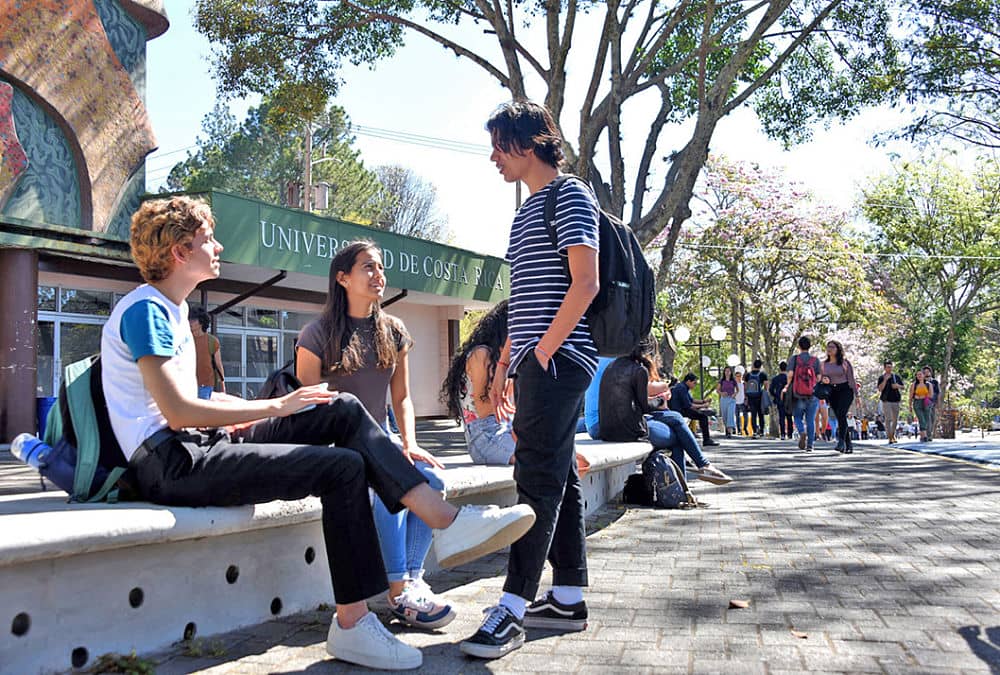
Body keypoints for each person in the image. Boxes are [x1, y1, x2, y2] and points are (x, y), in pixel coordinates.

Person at [102, 196, 536, 671]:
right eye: (209, 239)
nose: (219, 245)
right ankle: (418, 553)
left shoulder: (170, 311)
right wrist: (274, 405)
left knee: (343, 422)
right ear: (182, 252)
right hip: (172, 464)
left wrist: (245, 410)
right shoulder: (145, 310)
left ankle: (392, 582)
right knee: (340, 452)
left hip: (200, 445)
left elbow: (192, 402)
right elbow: (177, 411)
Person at [460, 101, 600, 659]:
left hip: (562, 360)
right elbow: (527, 301)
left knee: (536, 478)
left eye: (500, 145)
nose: (493, 157)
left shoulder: (570, 194)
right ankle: (567, 597)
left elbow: (583, 283)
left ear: (528, 142)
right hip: (539, 360)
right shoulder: (527, 211)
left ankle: (513, 608)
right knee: (559, 475)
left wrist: (543, 353)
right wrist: (508, 365)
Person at [296, 241, 454, 631]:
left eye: (380, 267)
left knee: (434, 480)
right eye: (368, 267)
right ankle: (397, 593)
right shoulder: (316, 334)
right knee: (390, 492)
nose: (378, 275)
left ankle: (413, 578)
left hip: (382, 438)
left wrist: (410, 443)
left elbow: (401, 398)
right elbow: (305, 406)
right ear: (343, 278)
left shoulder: (394, 331)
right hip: (339, 447)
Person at [591, 341, 732, 485]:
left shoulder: (612, 367)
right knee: (678, 439)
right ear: (646, 353)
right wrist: (660, 400)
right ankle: (696, 474)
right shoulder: (639, 370)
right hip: (629, 430)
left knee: (675, 418)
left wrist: (656, 401)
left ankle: (701, 469)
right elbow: (645, 407)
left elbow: (637, 403)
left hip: (607, 430)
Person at [440, 301, 515, 466]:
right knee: (536, 459)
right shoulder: (481, 355)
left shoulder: (503, 361)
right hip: (486, 436)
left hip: (507, 430)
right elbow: (483, 410)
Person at [819, 340, 858, 454]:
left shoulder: (845, 363)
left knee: (841, 414)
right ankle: (848, 444)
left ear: (838, 349)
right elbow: (820, 378)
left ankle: (841, 442)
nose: (829, 349)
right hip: (832, 392)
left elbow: (851, 379)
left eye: (832, 347)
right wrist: (823, 379)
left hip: (845, 390)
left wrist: (857, 395)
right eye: (828, 347)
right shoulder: (823, 364)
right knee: (840, 417)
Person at [786, 336, 822, 452]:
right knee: (810, 420)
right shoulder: (815, 360)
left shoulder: (795, 359)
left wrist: (788, 385)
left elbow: (790, 374)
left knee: (797, 416)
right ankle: (810, 445)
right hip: (812, 393)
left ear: (799, 346)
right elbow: (819, 377)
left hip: (798, 394)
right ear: (809, 346)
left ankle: (802, 432)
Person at [669, 374, 720, 446]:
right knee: (703, 417)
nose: (695, 385)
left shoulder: (683, 387)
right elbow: (689, 405)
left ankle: (706, 439)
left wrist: (703, 401)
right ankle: (706, 440)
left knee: (702, 415)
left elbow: (691, 400)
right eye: (694, 383)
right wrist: (703, 406)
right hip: (679, 410)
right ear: (688, 381)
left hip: (682, 409)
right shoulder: (682, 388)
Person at [188, 306, 224, 400]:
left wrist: (222, 385)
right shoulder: (185, 340)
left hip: (205, 385)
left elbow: (218, 365)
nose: (190, 322)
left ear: (201, 322)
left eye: (193, 320)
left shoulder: (212, 341)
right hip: (187, 385)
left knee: (202, 413)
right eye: (189, 319)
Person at [877, 361, 904, 444]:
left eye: (891, 367)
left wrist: (897, 386)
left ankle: (893, 434)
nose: (889, 368)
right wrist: (885, 380)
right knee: (888, 419)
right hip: (886, 400)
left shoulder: (896, 377)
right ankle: (890, 437)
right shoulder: (881, 377)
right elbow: (880, 389)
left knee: (895, 419)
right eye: (888, 367)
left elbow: (903, 387)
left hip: (896, 400)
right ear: (884, 368)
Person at [744, 359, 768, 438]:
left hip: (750, 397)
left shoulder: (748, 375)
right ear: (760, 366)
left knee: (753, 415)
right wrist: (764, 392)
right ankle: (761, 431)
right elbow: (766, 385)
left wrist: (746, 396)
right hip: (759, 396)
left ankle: (754, 431)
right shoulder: (762, 375)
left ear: (753, 365)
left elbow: (745, 386)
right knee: (761, 414)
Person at [769, 361, 792, 440]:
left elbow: (771, 389)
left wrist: (776, 396)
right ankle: (790, 434)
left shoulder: (776, 378)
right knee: (789, 417)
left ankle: (782, 433)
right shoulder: (789, 378)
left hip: (780, 399)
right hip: (789, 400)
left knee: (781, 417)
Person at [911, 368, 934, 442]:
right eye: (917, 375)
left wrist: (923, 396)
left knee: (927, 419)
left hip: (926, 402)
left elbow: (931, 395)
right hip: (917, 403)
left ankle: (923, 436)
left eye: (921, 374)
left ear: (924, 375)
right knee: (921, 419)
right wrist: (909, 405)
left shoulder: (928, 384)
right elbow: (911, 395)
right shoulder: (914, 384)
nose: (919, 376)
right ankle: (924, 436)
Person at [717, 366, 737, 438]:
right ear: (724, 372)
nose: (727, 372)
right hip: (724, 399)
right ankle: (727, 428)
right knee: (725, 415)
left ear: (731, 372)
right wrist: (721, 393)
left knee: (730, 414)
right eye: (726, 371)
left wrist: (735, 394)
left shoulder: (733, 381)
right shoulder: (722, 381)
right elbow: (717, 390)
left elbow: (737, 390)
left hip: (731, 399)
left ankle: (729, 431)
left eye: (729, 371)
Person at [922, 366, 940, 440]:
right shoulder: (921, 381)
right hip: (923, 402)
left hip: (932, 402)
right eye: (925, 372)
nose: (926, 374)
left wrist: (938, 403)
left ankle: (928, 434)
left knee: (932, 419)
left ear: (930, 373)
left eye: (928, 372)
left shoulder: (935, 382)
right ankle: (927, 435)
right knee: (927, 419)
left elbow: (938, 393)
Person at [733, 369, 748, 436]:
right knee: (737, 417)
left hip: (743, 402)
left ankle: (744, 428)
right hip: (735, 402)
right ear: (735, 377)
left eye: (739, 376)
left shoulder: (743, 384)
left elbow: (746, 392)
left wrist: (746, 399)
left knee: (745, 417)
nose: (738, 377)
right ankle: (738, 430)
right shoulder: (733, 384)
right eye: (737, 376)